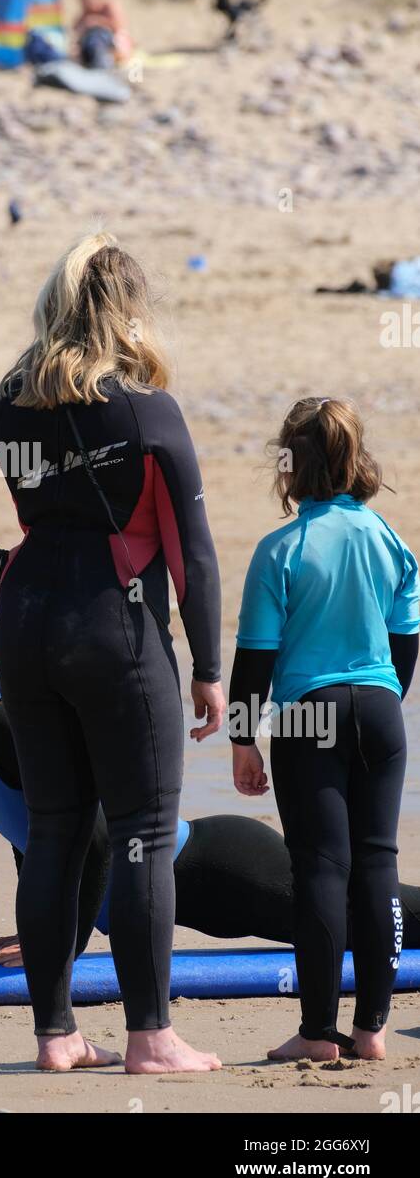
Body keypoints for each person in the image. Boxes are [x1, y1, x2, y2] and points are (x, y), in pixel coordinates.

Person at [0, 232, 225, 1075]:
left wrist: (1, 564)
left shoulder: (13, 407)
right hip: (118, 624)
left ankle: (57, 1037)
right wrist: (212, 669)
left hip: (26, 623)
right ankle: (152, 1038)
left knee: (54, 832)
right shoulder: (149, 412)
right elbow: (194, 552)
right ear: (128, 315)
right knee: (144, 834)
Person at [0, 597, 420, 964]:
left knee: (382, 921)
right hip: (194, 887)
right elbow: (33, 838)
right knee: (368, 919)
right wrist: (39, 925)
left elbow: (92, 839)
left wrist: (64, 947)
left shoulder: (6, 725)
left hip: (213, 872)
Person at [229, 397, 419, 1062]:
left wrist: (241, 738)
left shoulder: (280, 549)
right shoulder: (389, 539)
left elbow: (254, 659)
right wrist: (378, 707)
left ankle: (316, 1034)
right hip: (380, 709)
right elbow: (404, 651)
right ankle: (371, 1031)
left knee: (319, 869)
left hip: (310, 716)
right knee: (377, 864)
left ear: (288, 469)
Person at [73, 0, 133, 69]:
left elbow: (118, 26)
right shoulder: (87, 11)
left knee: (97, 40)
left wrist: (97, 21)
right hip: (91, 41)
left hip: (112, 39)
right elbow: (75, 28)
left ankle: (102, 61)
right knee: (79, 47)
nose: (86, 4)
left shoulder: (108, 6)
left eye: (88, 0)